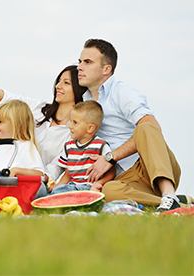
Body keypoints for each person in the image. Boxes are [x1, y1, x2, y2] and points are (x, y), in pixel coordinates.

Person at [77, 38, 186, 212]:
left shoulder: (122, 92)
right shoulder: (85, 101)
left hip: (149, 165)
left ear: (106, 69)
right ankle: (174, 203)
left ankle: (168, 192)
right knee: (108, 191)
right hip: (127, 178)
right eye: (80, 61)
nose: (80, 67)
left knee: (146, 125)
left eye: (88, 62)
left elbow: (151, 125)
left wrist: (110, 157)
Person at [50, 101, 115, 194]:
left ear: (90, 128)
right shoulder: (68, 146)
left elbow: (111, 171)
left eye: (75, 122)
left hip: (89, 187)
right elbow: (68, 174)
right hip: (71, 187)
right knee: (55, 193)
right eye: (70, 121)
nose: (70, 126)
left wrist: (98, 183)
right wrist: (57, 187)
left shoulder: (101, 145)